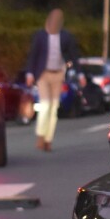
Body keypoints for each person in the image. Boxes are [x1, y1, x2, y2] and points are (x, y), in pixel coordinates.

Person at [25, 9, 81, 152]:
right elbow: (33, 55)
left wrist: (80, 74)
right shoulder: (40, 36)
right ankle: (41, 136)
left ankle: (48, 139)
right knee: (45, 105)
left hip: (58, 74)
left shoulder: (66, 36)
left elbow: (74, 55)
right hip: (43, 74)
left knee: (54, 107)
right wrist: (30, 73)